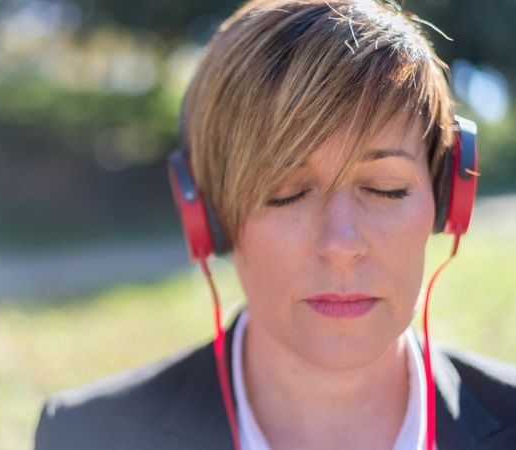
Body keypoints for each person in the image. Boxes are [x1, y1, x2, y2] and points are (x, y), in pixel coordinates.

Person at [34, 1, 516, 449]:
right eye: (285, 194)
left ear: (448, 198)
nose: (341, 244)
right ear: (208, 214)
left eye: (386, 187)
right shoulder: (88, 435)